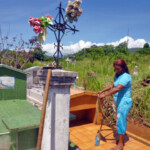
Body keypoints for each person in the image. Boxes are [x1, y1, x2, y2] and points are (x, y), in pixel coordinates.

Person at [97, 59, 133, 150]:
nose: (116, 70)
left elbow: (118, 88)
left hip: (124, 102)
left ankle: (120, 145)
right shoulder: (118, 76)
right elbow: (112, 85)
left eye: (118, 68)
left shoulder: (126, 77)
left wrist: (105, 95)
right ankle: (120, 140)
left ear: (123, 67)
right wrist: (102, 91)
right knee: (119, 121)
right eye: (115, 69)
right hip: (119, 102)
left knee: (121, 121)